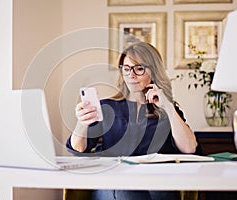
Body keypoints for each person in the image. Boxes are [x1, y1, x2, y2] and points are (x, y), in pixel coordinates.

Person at [66, 42, 198, 200]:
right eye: (126, 69)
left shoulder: (167, 110)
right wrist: (82, 123)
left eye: (139, 69)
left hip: (157, 186)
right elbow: (79, 148)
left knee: (155, 190)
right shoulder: (107, 107)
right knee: (125, 189)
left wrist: (168, 107)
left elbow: (189, 148)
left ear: (154, 71)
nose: (131, 75)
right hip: (115, 185)